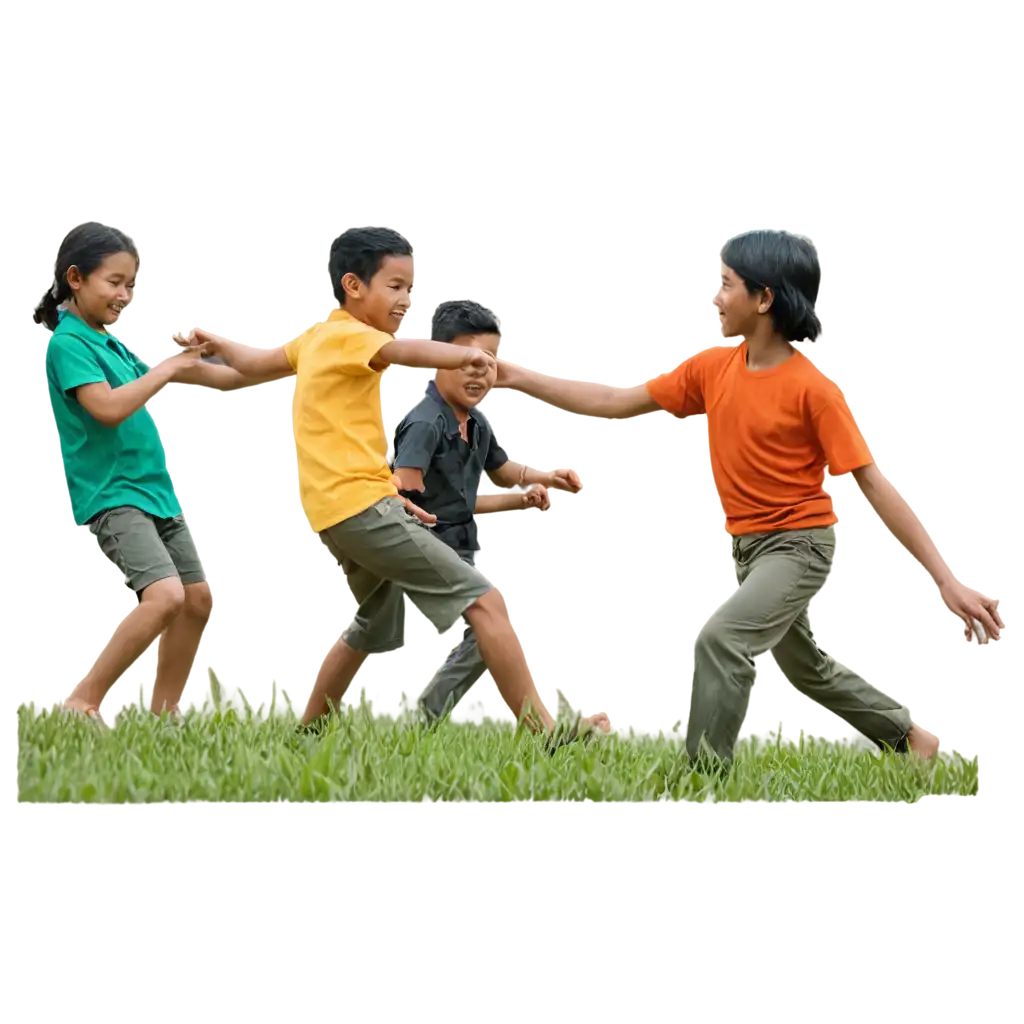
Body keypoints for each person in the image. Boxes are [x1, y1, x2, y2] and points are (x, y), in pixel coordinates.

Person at [494, 228, 1002, 769]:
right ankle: (909, 738)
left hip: (798, 548)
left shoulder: (814, 389)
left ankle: (704, 776)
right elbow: (614, 401)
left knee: (718, 639)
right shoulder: (713, 370)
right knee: (808, 668)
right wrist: (520, 376)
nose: (715, 296)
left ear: (765, 298)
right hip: (750, 550)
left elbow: (873, 483)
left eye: (726, 284)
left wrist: (946, 577)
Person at [173, 227, 610, 748]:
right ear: (354, 286)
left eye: (411, 289)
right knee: (487, 602)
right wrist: (462, 357)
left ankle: (303, 735)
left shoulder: (316, 336)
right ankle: (547, 737)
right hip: (359, 506)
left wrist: (218, 342)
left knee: (371, 624)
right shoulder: (354, 336)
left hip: (343, 509)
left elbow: (256, 361)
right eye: (396, 286)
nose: (407, 300)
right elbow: (403, 351)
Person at [36, 221, 248, 720]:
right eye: (114, 282)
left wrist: (230, 353)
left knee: (196, 599)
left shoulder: (110, 342)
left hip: (153, 493)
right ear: (75, 278)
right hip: (114, 494)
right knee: (166, 596)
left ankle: (165, 712)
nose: (125, 295)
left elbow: (222, 377)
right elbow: (106, 408)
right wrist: (164, 369)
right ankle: (81, 699)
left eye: (131, 285)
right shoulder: (69, 344)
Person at [390, 297, 586, 724]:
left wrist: (544, 477)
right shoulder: (425, 424)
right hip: (418, 548)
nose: (480, 371)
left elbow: (501, 473)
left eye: (491, 361)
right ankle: (437, 714)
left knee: (483, 630)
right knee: (486, 619)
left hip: (454, 548)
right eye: (467, 359)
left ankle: (428, 713)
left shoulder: (476, 423)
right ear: (435, 359)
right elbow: (407, 496)